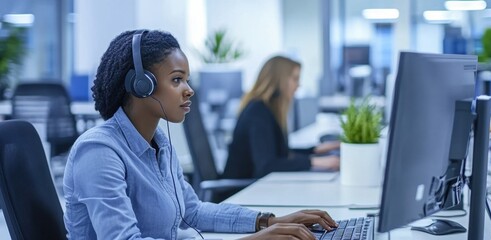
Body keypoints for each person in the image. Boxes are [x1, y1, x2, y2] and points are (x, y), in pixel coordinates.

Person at [62, 29, 337, 239]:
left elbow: (193, 212)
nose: (189, 89)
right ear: (141, 85)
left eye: (187, 80)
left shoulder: (160, 145)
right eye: (177, 79)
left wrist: (267, 221)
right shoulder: (98, 151)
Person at [222, 56, 340, 180]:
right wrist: (314, 162)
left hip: (253, 187)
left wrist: (316, 150)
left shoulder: (266, 108)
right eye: (295, 79)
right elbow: (267, 166)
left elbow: (280, 154)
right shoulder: (258, 112)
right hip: (238, 192)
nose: (298, 85)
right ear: (280, 80)